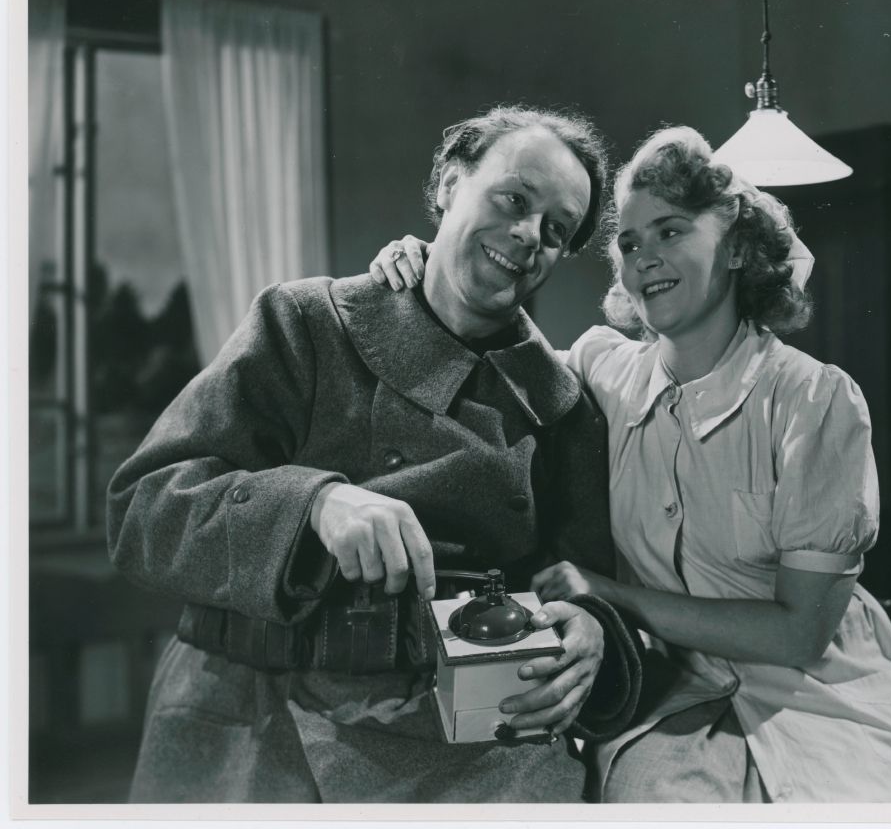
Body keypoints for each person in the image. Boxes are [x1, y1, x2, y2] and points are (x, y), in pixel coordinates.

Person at [371, 126, 891, 803]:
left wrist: (614, 595)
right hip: (672, 703)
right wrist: (421, 271)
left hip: (817, 706)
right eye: (630, 243)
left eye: (670, 231)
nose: (644, 259)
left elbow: (800, 632)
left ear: (737, 247)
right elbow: (482, 349)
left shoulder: (813, 401)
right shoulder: (597, 370)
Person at [107, 105, 645, 804]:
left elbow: (580, 584)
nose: (527, 236)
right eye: (514, 200)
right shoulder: (304, 323)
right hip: (251, 704)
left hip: (460, 739)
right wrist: (314, 503)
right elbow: (144, 510)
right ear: (450, 183)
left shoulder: (561, 407)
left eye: (555, 230)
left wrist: (592, 631)